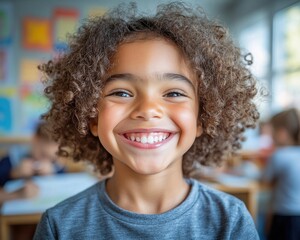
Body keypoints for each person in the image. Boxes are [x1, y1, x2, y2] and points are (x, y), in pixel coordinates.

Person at [34, 2, 260, 239]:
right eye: (121, 93)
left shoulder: (230, 221)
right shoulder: (59, 226)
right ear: (91, 116)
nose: (148, 110)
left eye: (174, 93)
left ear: (202, 117)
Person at [262, 108, 300, 240]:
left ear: (282, 132)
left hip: (284, 217)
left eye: (272, 132)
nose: (270, 136)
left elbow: (264, 180)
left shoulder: (279, 155)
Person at [0, 121, 64, 188]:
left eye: (51, 158)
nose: (45, 160)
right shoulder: (13, 157)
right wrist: (13, 173)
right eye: (43, 154)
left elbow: (65, 181)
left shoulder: (56, 165)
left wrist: (53, 174)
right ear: (35, 139)